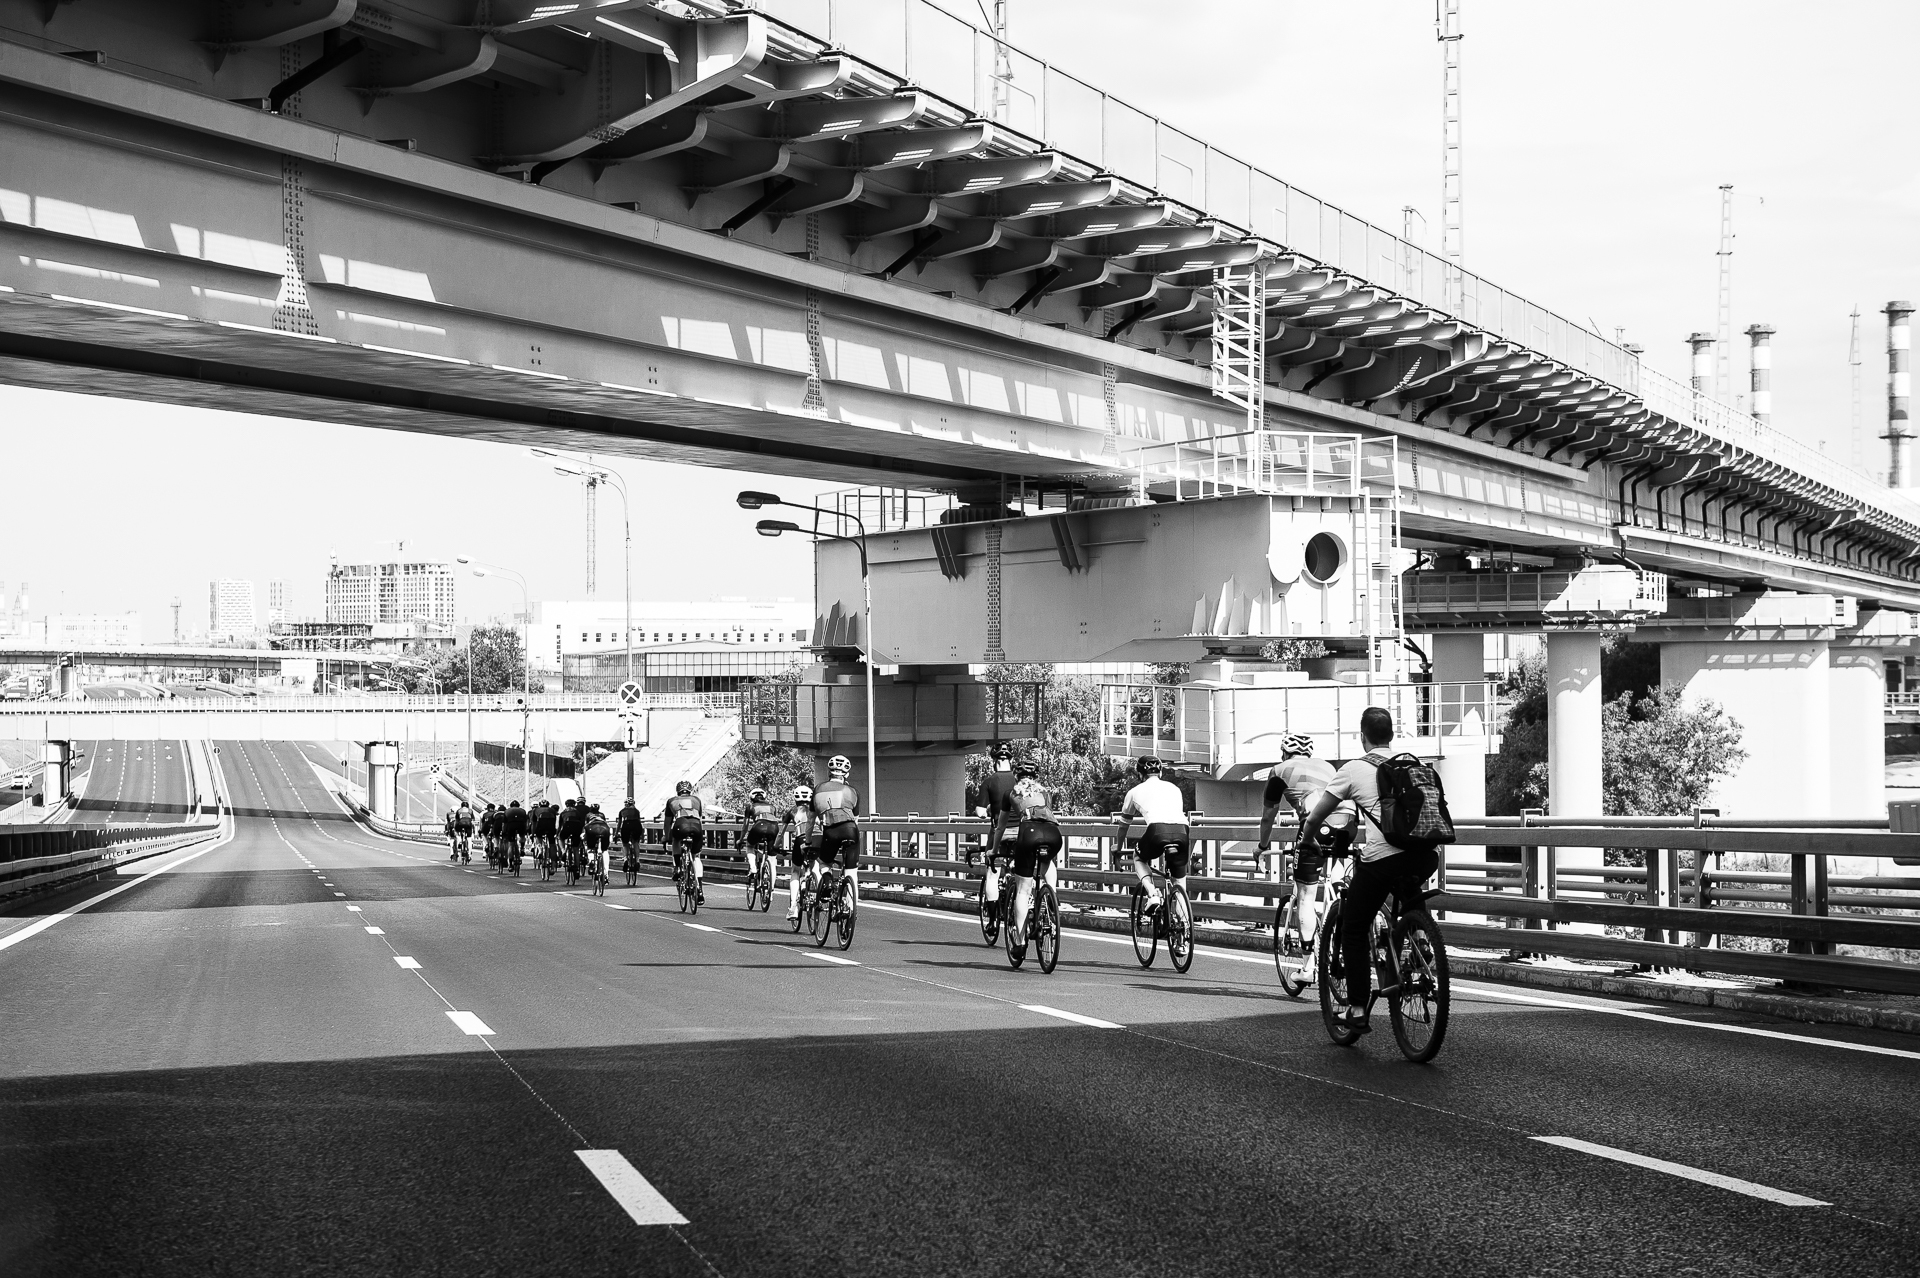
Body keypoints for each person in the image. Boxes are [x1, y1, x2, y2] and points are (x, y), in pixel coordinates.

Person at [1300, 707, 1441, 1037]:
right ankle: (1419, 941)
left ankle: (1359, 1008)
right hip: (1425, 856)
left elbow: (1318, 816)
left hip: (1383, 860)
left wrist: (1307, 842)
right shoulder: (1415, 764)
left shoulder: (1353, 770)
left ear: (1362, 736)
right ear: (1391, 735)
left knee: (1353, 926)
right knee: (1409, 891)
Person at [1255, 734, 1355, 947]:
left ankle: (1308, 966)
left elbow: (1267, 817)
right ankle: (1341, 903)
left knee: (1306, 896)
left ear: (1284, 753)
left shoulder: (1279, 770)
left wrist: (1262, 847)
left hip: (1316, 826)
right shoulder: (1328, 766)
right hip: (1348, 824)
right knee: (1337, 867)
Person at [990, 758, 1061, 951]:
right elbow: (1047, 815)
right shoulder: (1045, 792)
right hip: (1053, 834)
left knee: (1023, 890)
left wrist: (994, 850)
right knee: (1047, 861)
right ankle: (1050, 897)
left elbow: (1001, 826)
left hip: (1029, 833)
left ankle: (1020, 943)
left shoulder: (1010, 793)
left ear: (1016, 776)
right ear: (1036, 777)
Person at [1112, 756, 1190, 914]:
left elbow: (1123, 826)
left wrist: (1118, 848)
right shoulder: (1174, 788)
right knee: (1179, 882)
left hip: (1157, 831)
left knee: (1139, 857)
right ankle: (1183, 928)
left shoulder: (1134, 792)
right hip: (1182, 831)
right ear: (1160, 772)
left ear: (1140, 774)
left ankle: (1153, 893)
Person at [972, 743, 1019, 918]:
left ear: (995, 761)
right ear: (1011, 761)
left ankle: (992, 920)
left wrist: (990, 809)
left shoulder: (989, 781)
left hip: (999, 833)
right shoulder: (1020, 781)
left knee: (992, 874)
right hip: (1022, 833)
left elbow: (980, 813)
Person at [809, 755, 861, 906]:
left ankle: (827, 881)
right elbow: (855, 820)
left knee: (824, 863)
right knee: (852, 871)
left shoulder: (818, 789)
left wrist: (807, 841)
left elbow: (811, 820)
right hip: (851, 830)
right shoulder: (853, 791)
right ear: (847, 774)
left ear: (828, 772)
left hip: (830, 831)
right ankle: (850, 908)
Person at [664, 781, 705, 903]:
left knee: (676, 839)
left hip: (680, 825)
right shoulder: (696, 800)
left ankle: (677, 867)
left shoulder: (672, 800)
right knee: (696, 857)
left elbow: (667, 823)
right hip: (697, 827)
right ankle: (699, 888)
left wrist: (666, 837)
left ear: (678, 791)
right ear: (690, 790)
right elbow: (699, 817)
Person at [784, 784, 816, 920]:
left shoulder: (792, 811)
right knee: (814, 866)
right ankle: (814, 889)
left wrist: (776, 845)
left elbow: (781, 833)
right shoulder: (815, 810)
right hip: (815, 839)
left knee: (795, 871)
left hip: (799, 840)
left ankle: (793, 908)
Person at [742, 787, 781, 898]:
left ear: (752, 798)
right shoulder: (772, 807)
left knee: (750, 846)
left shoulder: (750, 807)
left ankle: (753, 868)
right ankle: (771, 889)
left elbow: (745, 826)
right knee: (772, 859)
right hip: (774, 828)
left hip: (759, 827)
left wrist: (740, 839)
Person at [583, 803, 611, 881]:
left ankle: (591, 859)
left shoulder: (588, 815)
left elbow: (585, 826)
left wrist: (584, 837)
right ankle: (605, 873)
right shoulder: (602, 815)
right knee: (605, 850)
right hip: (604, 829)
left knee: (590, 847)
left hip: (592, 829)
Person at [617, 796, 643, 879]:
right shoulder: (637, 811)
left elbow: (619, 824)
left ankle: (625, 860)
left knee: (625, 844)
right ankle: (638, 860)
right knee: (635, 842)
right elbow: (639, 821)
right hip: (636, 825)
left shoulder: (622, 811)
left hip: (626, 825)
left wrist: (616, 833)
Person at [503, 799, 529, 870]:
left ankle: (511, 864)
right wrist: (526, 830)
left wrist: (504, 831)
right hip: (521, 825)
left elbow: (504, 823)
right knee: (522, 836)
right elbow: (526, 821)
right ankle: (522, 848)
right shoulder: (523, 811)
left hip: (511, 826)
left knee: (511, 845)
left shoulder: (507, 811)